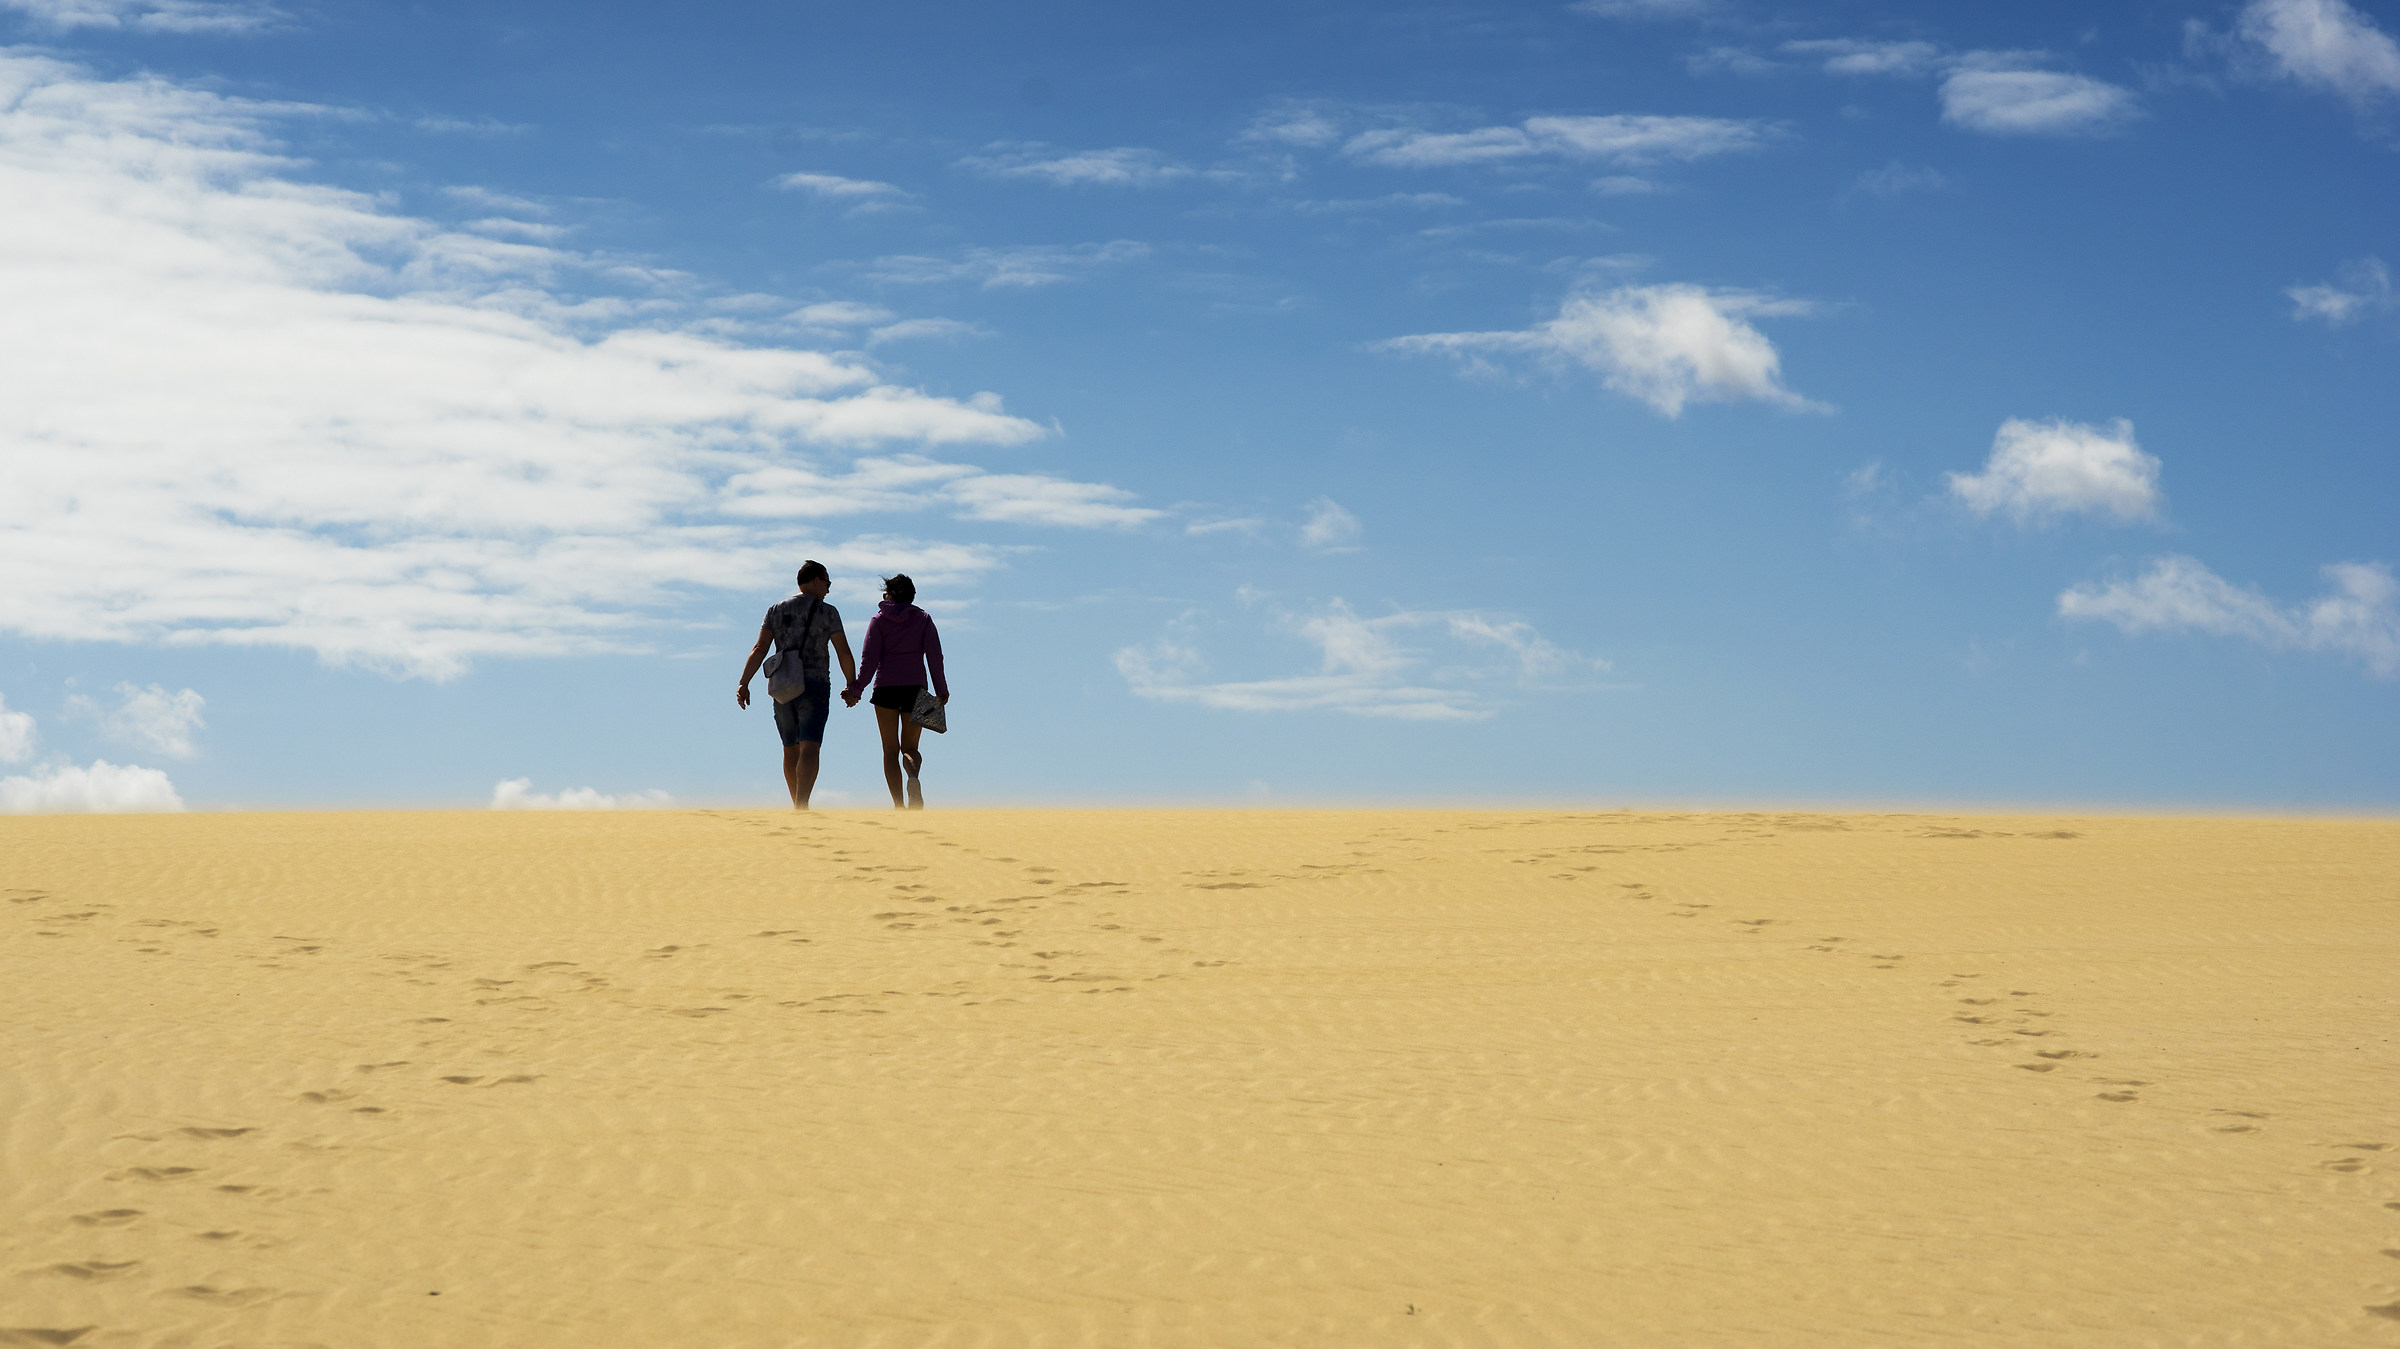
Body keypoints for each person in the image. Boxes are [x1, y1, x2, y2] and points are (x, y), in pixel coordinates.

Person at [736, 561, 857, 810]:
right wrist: (851, 684)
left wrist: (743, 682)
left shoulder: (775, 610)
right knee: (810, 745)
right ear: (814, 580)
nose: (828, 589)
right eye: (827, 583)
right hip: (815, 683)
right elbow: (843, 652)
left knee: (789, 748)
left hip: (782, 686)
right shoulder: (828, 612)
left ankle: (796, 806)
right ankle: (803, 805)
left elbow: (760, 649)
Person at [841, 573, 948, 810]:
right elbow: (934, 657)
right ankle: (913, 778)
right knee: (910, 749)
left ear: (889, 595)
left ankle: (899, 805)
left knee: (890, 750)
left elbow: (869, 660)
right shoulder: (924, 619)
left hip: (886, 689)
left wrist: (856, 689)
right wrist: (941, 690)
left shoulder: (878, 620)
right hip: (915, 689)